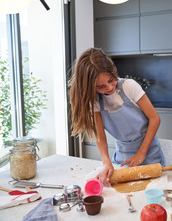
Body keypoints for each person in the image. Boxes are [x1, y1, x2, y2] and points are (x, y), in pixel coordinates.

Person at [68, 47, 165, 186]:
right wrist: (106, 162)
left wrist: (141, 153)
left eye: (110, 80)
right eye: (100, 86)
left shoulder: (129, 87)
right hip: (122, 158)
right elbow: (99, 135)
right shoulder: (95, 100)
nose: (108, 87)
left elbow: (155, 119)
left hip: (149, 155)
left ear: (113, 71)